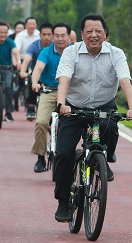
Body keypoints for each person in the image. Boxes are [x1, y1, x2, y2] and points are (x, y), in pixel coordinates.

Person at [53, 14, 132, 222]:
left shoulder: (116, 54)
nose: (93, 35)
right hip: (74, 107)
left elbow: (125, 81)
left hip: (103, 105)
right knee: (63, 153)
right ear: (81, 35)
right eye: (89, 31)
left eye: (98, 31)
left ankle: (103, 159)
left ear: (106, 34)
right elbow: (64, 81)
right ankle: (63, 201)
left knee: (111, 128)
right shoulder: (71, 52)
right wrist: (62, 105)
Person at [29, 22, 71, 173]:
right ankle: (41, 157)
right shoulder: (46, 52)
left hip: (70, 93)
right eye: (57, 36)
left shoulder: (75, 51)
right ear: (53, 37)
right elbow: (38, 68)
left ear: (69, 37)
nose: (60, 39)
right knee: (40, 122)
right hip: (49, 91)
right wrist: (34, 82)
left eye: (63, 36)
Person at [19, 23, 53, 120]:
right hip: (37, 75)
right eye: (44, 34)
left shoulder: (56, 46)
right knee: (32, 84)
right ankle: (30, 107)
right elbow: (26, 60)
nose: (46, 37)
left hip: (52, 77)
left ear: (52, 35)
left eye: (49, 34)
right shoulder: (34, 46)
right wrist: (22, 71)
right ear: (40, 35)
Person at [0, 21, 21, 122]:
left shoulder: (10, 42)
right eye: (1, 32)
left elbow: (16, 52)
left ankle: (8, 113)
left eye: (5, 32)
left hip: (7, 68)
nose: (3, 35)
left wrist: (18, 62)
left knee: (8, 88)